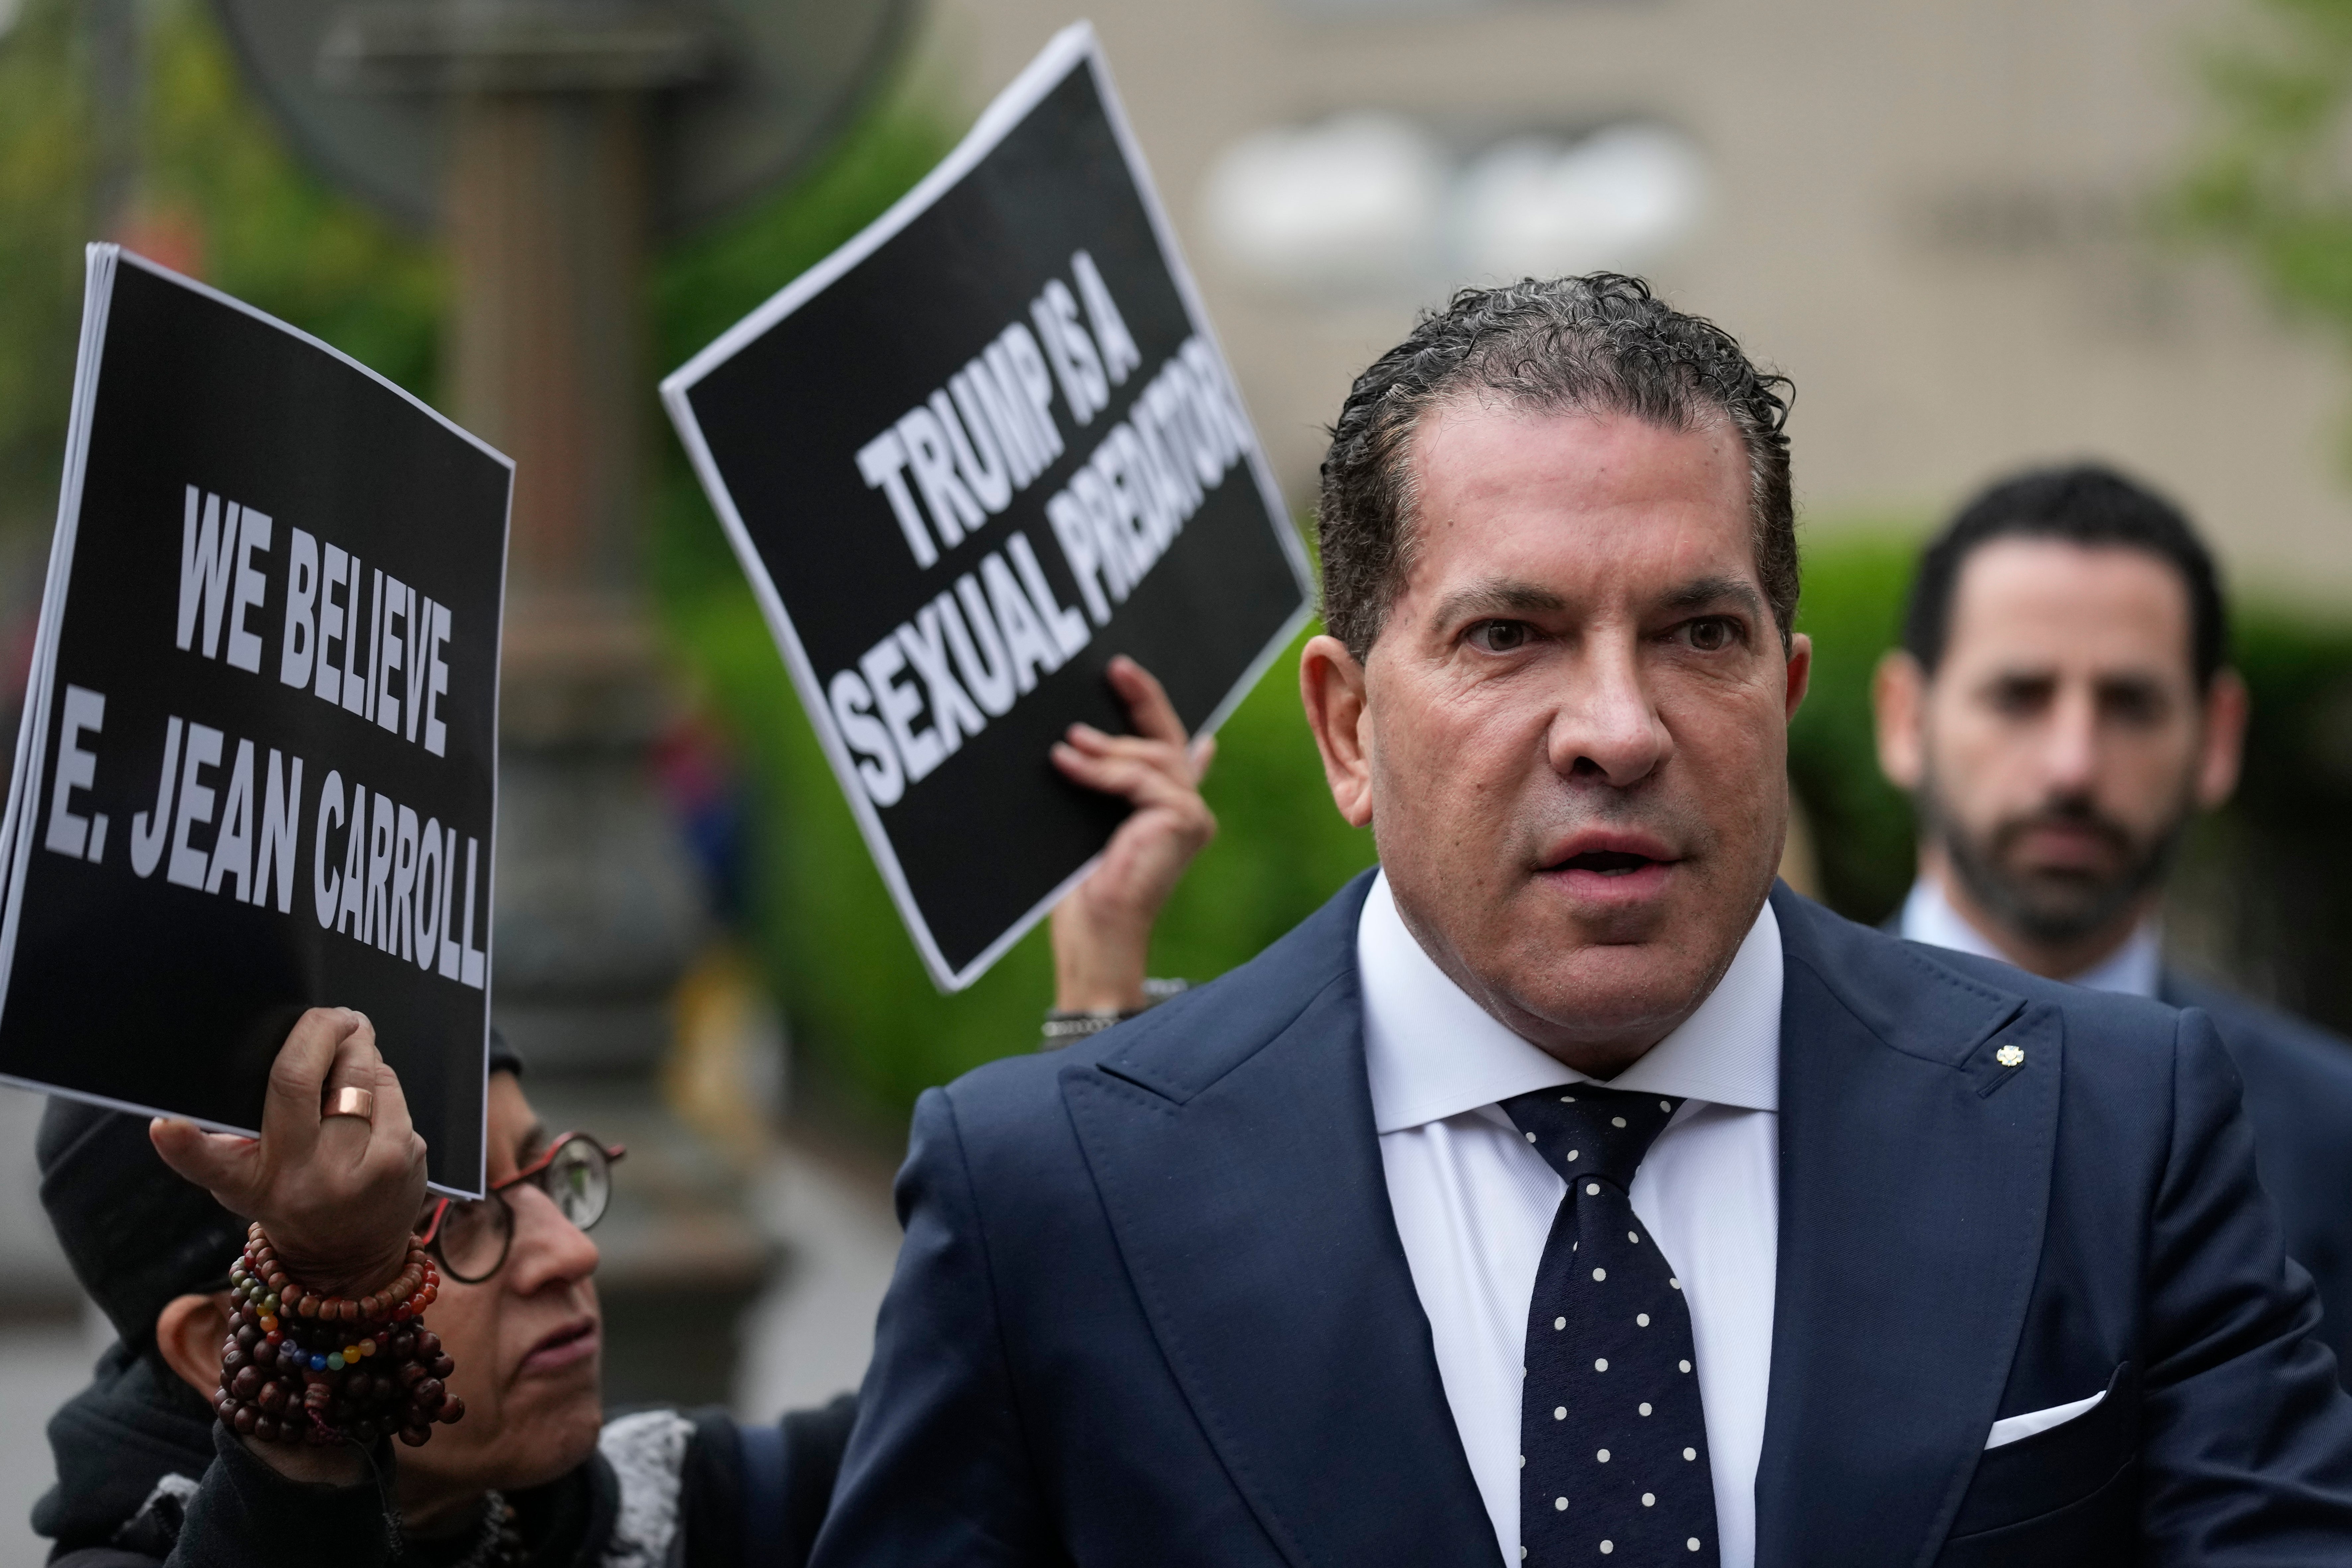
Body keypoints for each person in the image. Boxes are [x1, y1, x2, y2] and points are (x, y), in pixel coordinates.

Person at [809, 276, 2352, 1566]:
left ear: (1784, 693)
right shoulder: (1048, 1196)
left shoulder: (2117, 1127)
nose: (1616, 726)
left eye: (1697, 632)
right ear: (1348, 731)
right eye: (1509, 633)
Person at [28, 654, 1215, 1567]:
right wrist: (329, 1309)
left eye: (550, 1176)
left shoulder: (630, 1511)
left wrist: (1099, 979)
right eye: (454, 1223)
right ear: (213, 1349)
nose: (570, 1250)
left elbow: (996, 1422)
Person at [1872, 463, 2352, 1380]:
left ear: (2216, 738)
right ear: (1904, 719)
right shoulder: (1758, 1083)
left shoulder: (2331, 1136)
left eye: (2129, 703)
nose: (2071, 765)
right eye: (2019, 694)